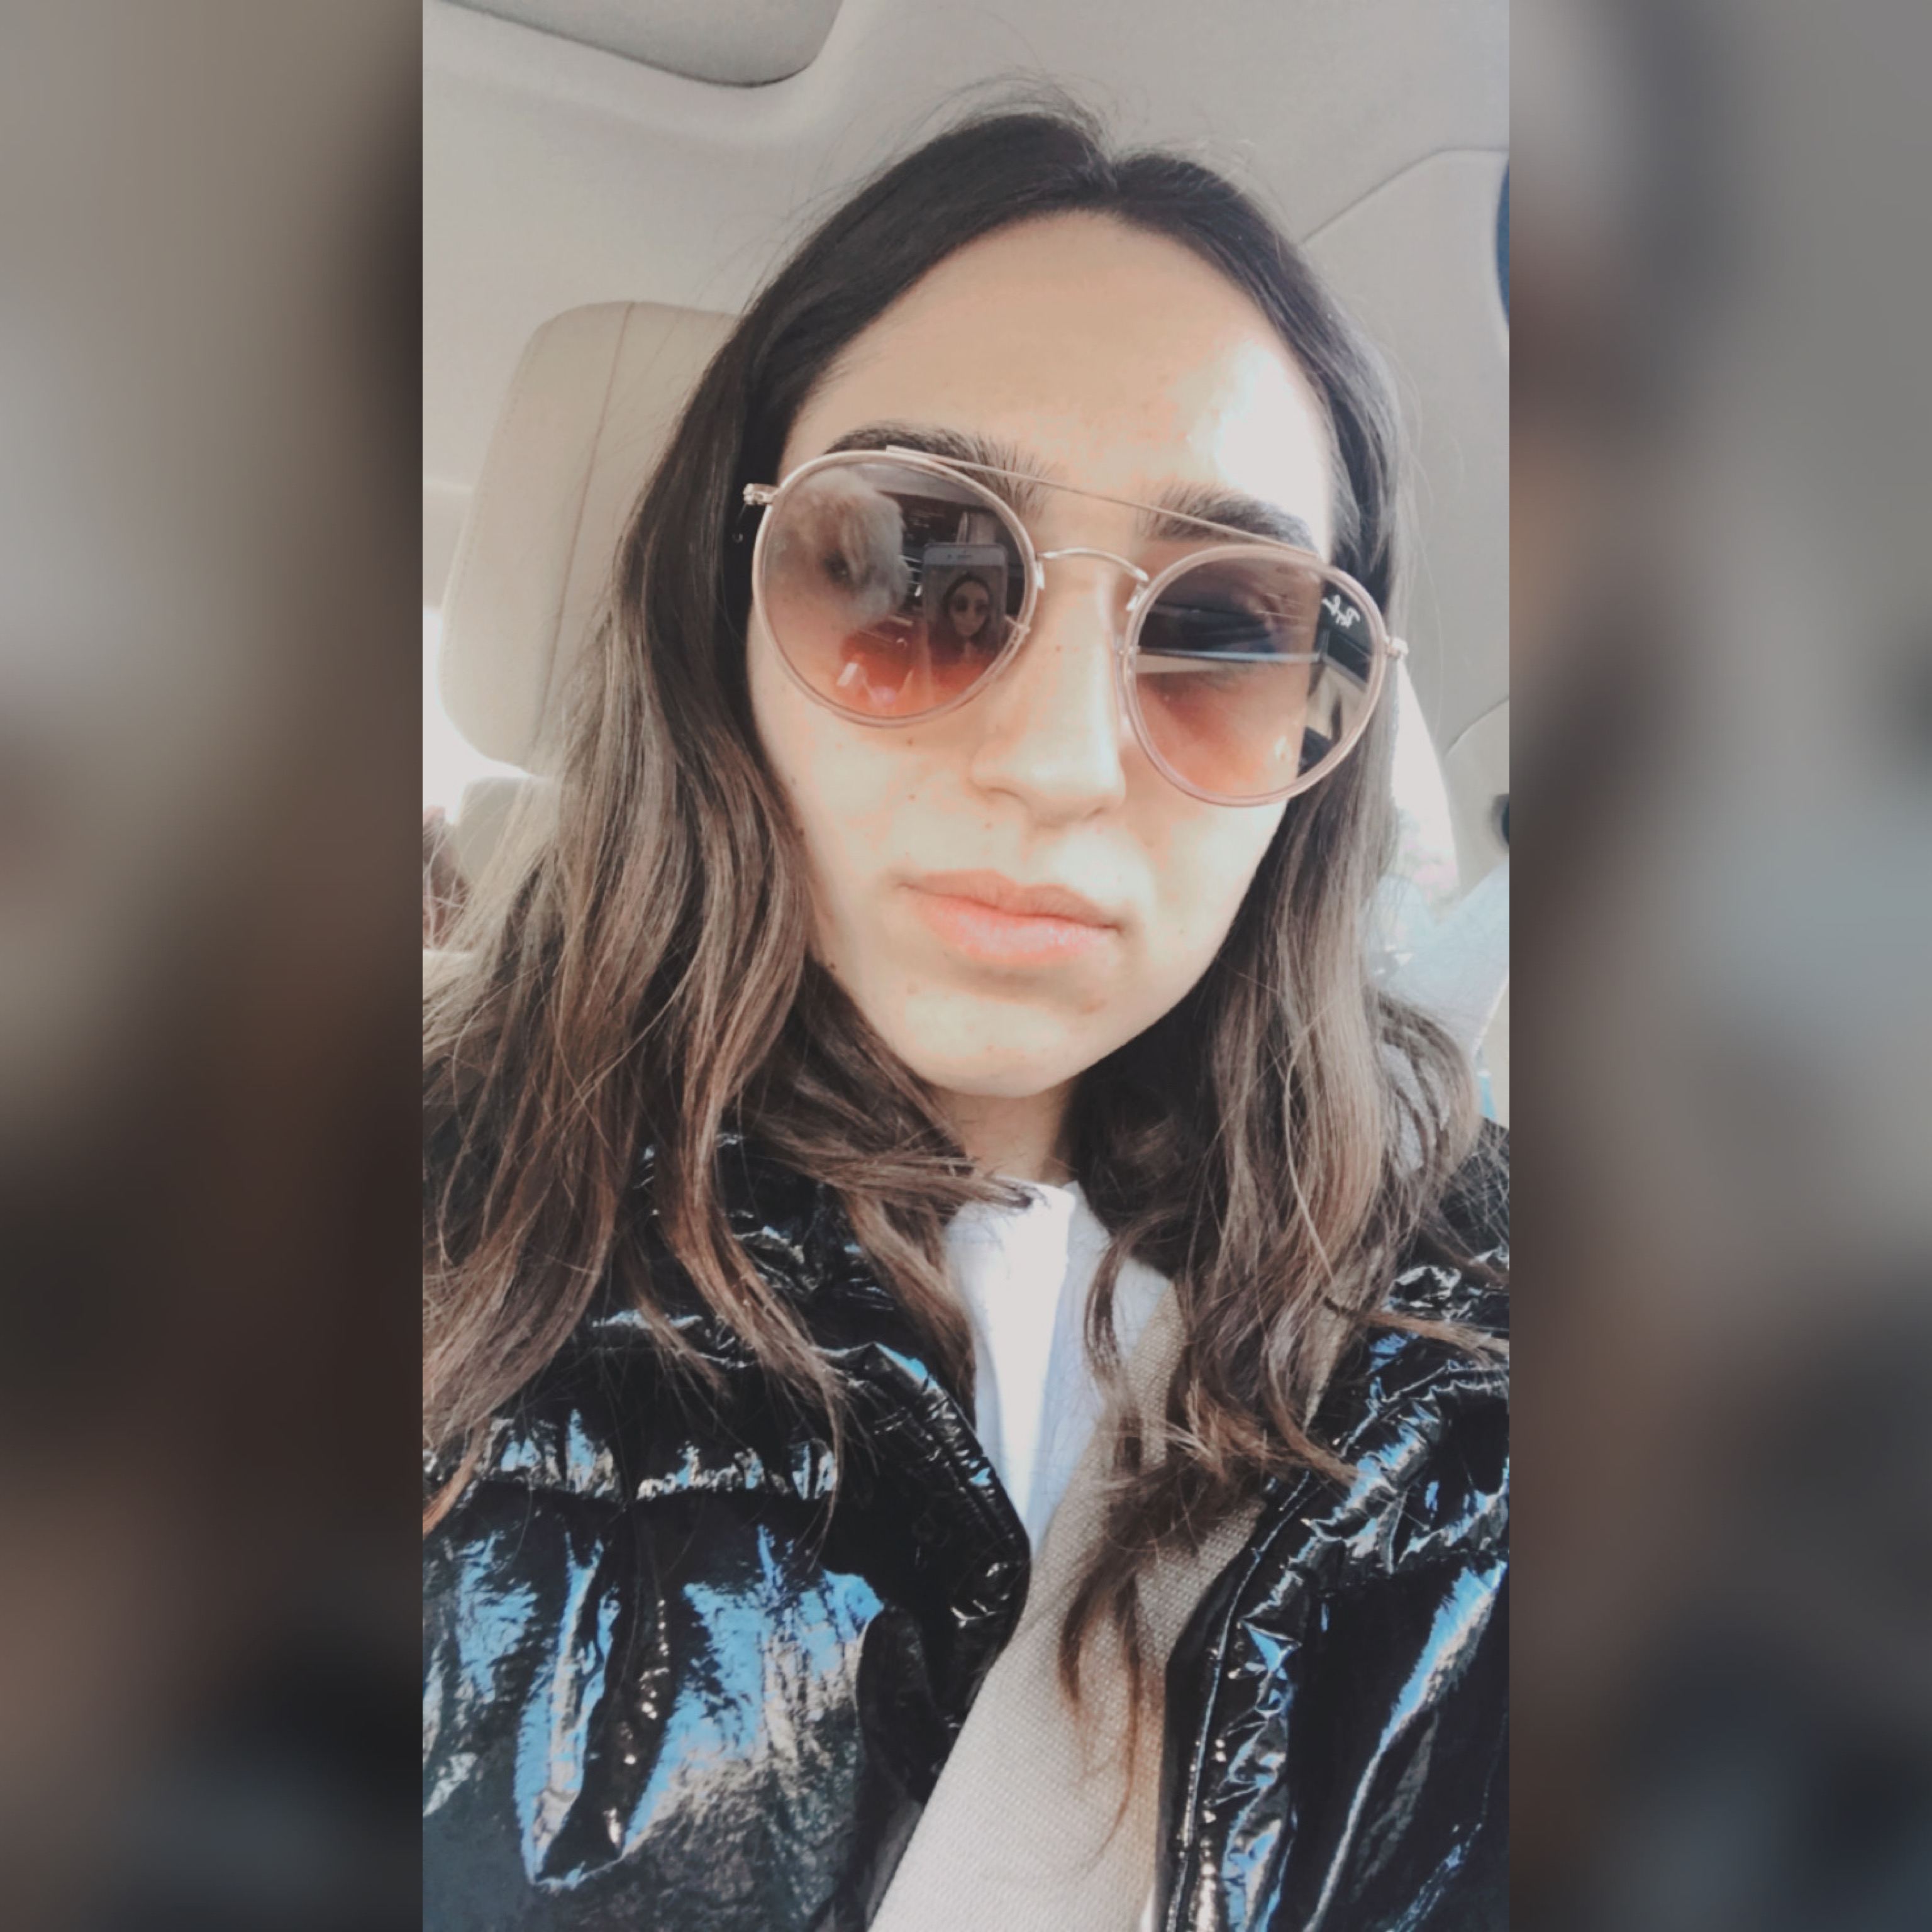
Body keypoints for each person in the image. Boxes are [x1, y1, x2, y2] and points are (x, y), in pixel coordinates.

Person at [423, 106, 1506, 1931]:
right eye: (910, 575)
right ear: (722, 606)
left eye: (1225, 632)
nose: (1059, 765)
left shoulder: (1493, 1331)